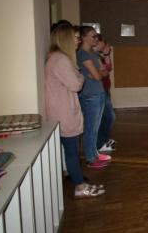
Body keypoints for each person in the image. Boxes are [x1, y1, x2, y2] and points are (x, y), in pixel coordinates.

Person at [44, 23, 104, 199]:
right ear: (66, 39)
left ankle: (76, 178)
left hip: (61, 109)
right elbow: (76, 84)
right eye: (76, 37)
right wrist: (80, 75)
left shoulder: (57, 58)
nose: (78, 40)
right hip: (63, 111)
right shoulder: (61, 60)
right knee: (72, 150)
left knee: (70, 149)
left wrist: (79, 75)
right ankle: (80, 186)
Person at [77, 26, 111, 168]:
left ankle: (95, 153)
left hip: (99, 92)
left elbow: (105, 72)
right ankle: (90, 159)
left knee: (95, 128)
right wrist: (97, 74)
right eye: (92, 36)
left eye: (96, 36)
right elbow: (98, 75)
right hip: (90, 95)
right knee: (90, 128)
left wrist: (97, 74)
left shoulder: (94, 53)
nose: (95, 39)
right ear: (83, 37)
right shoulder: (82, 54)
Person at [94, 34, 116, 154]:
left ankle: (103, 142)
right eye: (105, 43)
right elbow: (104, 72)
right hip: (99, 90)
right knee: (108, 117)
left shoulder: (99, 55)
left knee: (106, 117)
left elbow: (108, 68)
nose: (107, 46)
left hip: (105, 89)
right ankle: (100, 144)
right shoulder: (93, 56)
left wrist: (106, 55)